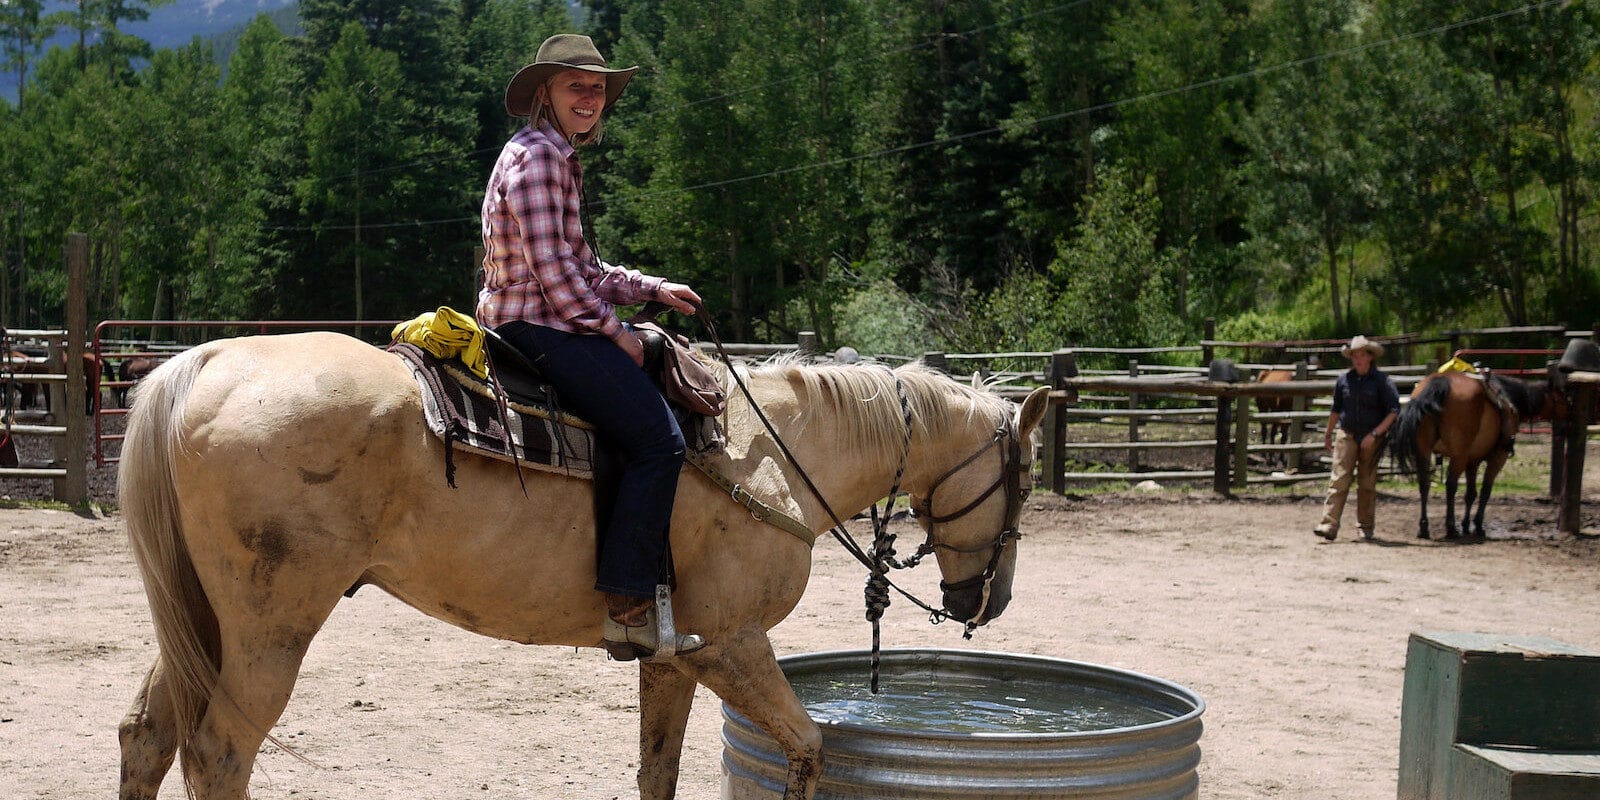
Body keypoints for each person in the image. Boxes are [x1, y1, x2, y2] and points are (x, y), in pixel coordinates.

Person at [478, 34, 705, 660]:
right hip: (536, 325)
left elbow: (584, 267)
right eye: (575, 85)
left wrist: (652, 288)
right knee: (660, 441)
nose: (590, 97)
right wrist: (621, 334)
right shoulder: (541, 161)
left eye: (598, 88)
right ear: (545, 93)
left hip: (540, 316)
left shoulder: (550, 156)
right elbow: (556, 279)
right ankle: (630, 605)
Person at [1313, 335, 1401, 541]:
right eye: (1355, 356)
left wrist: (1375, 434)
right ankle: (1329, 524)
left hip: (1372, 437)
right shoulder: (1344, 380)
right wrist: (1328, 433)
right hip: (1347, 433)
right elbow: (1336, 409)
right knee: (1339, 480)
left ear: (1370, 357)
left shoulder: (1382, 381)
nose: (1358, 359)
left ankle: (1366, 527)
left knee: (1367, 483)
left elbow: (1394, 410)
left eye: (1361, 355)